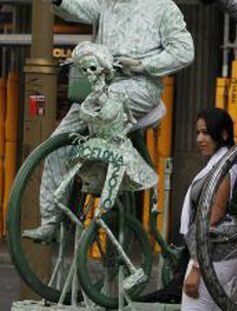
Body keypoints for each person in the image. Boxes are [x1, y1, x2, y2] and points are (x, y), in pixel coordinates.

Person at [23, 0, 194, 241]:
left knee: (106, 107)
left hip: (139, 87)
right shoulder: (107, 3)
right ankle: (50, 220)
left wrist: (143, 65)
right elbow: (79, 8)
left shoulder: (164, 7)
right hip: (100, 87)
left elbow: (183, 51)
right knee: (57, 144)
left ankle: (118, 171)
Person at [180, 107, 237, 311]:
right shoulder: (220, 162)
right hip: (218, 256)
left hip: (211, 258)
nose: (199, 139)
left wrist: (197, 268)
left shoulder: (224, 166)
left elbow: (212, 219)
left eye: (205, 132)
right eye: (198, 132)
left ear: (222, 134)